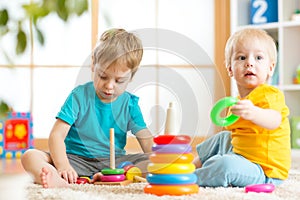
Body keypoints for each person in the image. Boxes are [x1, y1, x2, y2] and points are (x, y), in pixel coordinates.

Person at [21, 28, 153, 188]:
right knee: (30, 156)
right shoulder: (79, 96)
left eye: (119, 81)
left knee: (154, 162)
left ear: (131, 76)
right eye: (103, 76)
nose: (109, 86)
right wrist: (63, 166)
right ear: (93, 65)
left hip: (115, 164)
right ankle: (59, 179)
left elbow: (146, 140)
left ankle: (111, 177)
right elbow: (56, 135)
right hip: (75, 160)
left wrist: (160, 159)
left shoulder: (130, 104)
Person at [193, 28, 291, 187]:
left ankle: (193, 178)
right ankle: (190, 166)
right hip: (242, 156)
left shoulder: (270, 94)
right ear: (230, 69)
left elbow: (275, 120)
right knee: (222, 138)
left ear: (270, 68)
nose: (250, 63)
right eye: (242, 57)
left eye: (259, 57)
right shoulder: (237, 102)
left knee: (226, 165)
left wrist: (254, 113)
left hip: (264, 171)